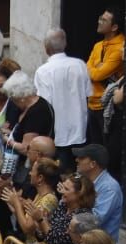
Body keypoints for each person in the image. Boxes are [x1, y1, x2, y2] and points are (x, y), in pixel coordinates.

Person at [33, 28, 90, 159]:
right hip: (80, 131)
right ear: (65, 44)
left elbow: (44, 105)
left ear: (46, 47)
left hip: (57, 134)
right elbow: (88, 95)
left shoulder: (43, 71)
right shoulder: (80, 65)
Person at [85, 9, 124, 144]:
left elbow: (97, 75)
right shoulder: (98, 46)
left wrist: (95, 70)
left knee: (108, 148)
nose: (99, 21)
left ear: (114, 27)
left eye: (104, 20)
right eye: (100, 18)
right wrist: (96, 69)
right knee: (95, 147)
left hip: (107, 106)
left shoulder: (120, 47)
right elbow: (86, 71)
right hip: (91, 103)